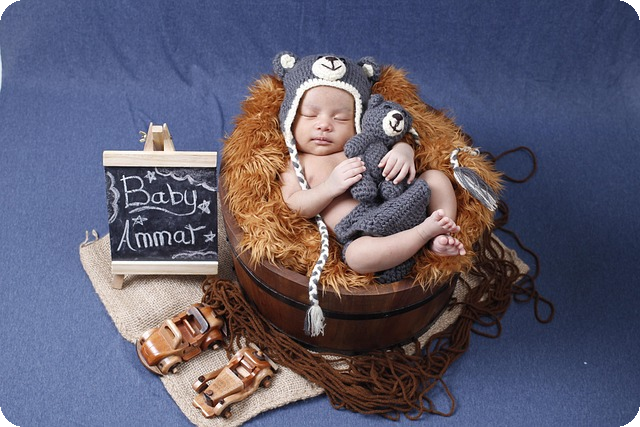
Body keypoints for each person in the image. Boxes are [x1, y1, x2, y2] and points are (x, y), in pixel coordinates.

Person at [275, 53, 465, 280]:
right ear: (290, 117)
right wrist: (329, 187)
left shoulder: (362, 142)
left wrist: (403, 151)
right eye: (310, 115)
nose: (324, 125)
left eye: (341, 118)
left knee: (435, 178)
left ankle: (442, 233)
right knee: (356, 257)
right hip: (364, 230)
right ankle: (423, 234)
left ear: (358, 120)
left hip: (401, 200)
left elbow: (392, 140)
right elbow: (294, 204)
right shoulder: (296, 163)